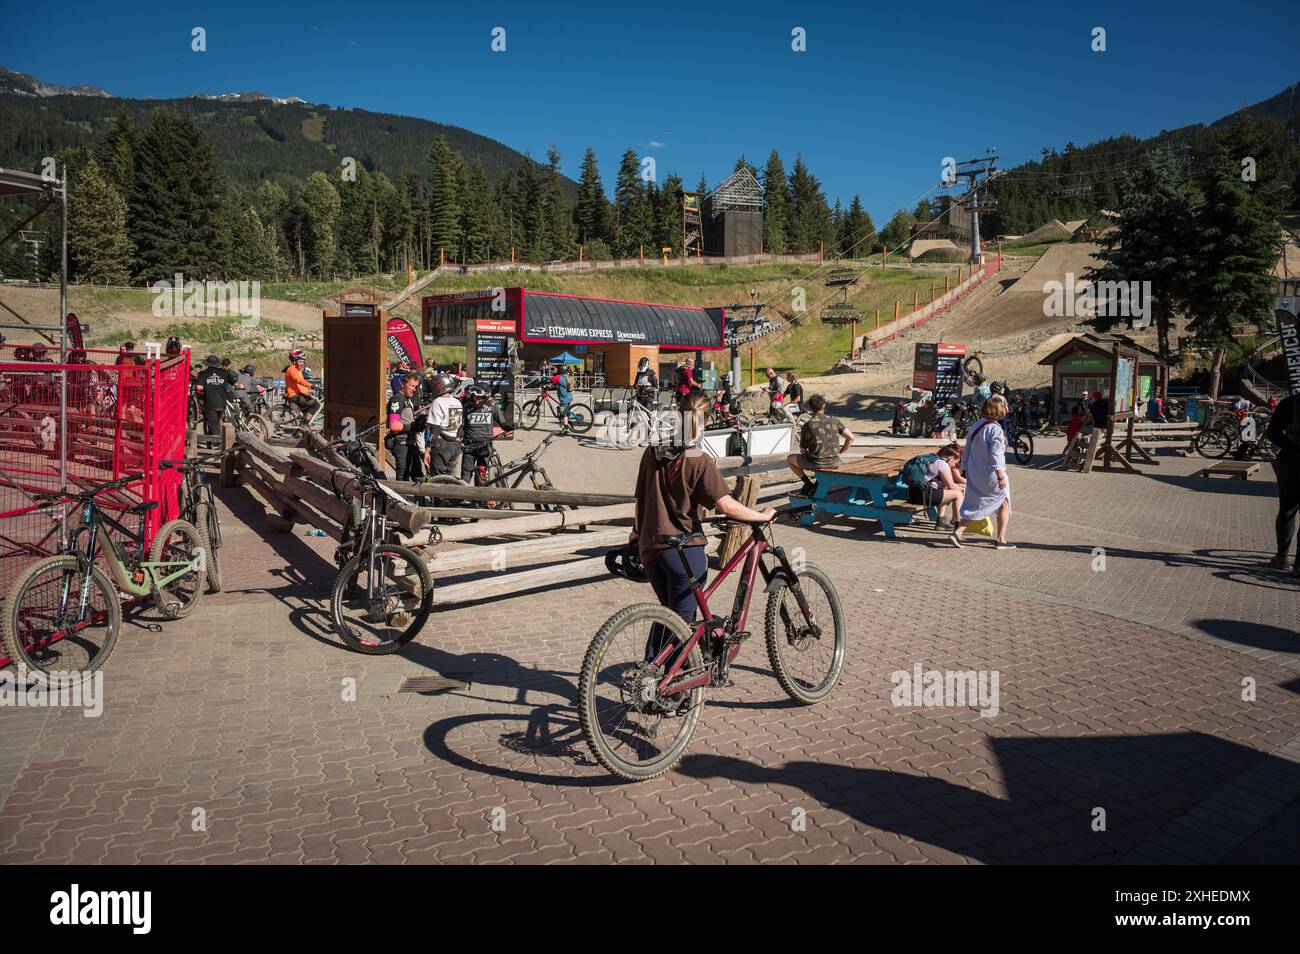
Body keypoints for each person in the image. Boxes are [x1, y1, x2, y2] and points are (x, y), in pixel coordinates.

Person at [631, 390, 777, 662]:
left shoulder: (652, 451)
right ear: (708, 422)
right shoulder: (698, 459)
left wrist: (636, 534)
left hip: (650, 549)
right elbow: (726, 505)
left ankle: (650, 669)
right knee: (683, 624)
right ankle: (670, 689)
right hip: (684, 552)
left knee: (669, 614)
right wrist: (761, 515)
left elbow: (640, 501)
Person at [947, 394, 1014, 549]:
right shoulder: (995, 430)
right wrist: (1000, 475)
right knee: (1003, 502)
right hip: (991, 474)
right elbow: (996, 454)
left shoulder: (976, 426)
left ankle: (958, 533)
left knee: (979, 504)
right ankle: (1001, 540)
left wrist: (963, 469)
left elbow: (967, 450)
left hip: (975, 472)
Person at [787, 394, 854, 497]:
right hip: (835, 462)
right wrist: (840, 452)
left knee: (789, 459)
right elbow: (851, 437)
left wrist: (808, 456)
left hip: (817, 463)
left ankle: (808, 484)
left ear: (810, 408)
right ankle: (817, 484)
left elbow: (802, 450)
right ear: (824, 406)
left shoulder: (808, 425)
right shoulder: (834, 420)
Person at [1265, 392, 1300, 572]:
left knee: (1287, 510)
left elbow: (1272, 433)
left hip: (1291, 461)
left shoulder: (1290, 402)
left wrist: (1288, 445)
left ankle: (1282, 557)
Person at [460, 386, 513, 484]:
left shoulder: (492, 406)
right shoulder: (467, 406)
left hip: (485, 447)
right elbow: (462, 427)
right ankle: (463, 498)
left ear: (485, 397)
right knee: (465, 476)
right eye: (474, 396)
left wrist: (512, 426)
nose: (476, 398)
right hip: (469, 447)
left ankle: (479, 499)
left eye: (479, 397)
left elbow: (503, 424)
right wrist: (457, 440)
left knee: (482, 477)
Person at [911, 443, 966, 530]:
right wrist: (963, 489)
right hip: (924, 495)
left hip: (914, 492)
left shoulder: (934, 460)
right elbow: (951, 485)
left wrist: (960, 486)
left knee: (948, 490)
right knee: (958, 494)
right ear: (950, 459)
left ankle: (940, 522)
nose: (955, 465)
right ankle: (958, 524)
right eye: (956, 463)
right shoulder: (943, 465)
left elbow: (944, 484)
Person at [385, 372, 423, 481]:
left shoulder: (407, 400)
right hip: (402, 444)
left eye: (416, 386)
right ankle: (398, 498)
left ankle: (418, 498)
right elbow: (394, 425)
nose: (414, 389)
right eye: (411, 386)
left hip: (410, 443)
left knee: (418, 476)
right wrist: (413, 427)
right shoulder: (397, 399)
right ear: (402, 384)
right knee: (403, 479)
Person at [424, 372, 463, 477]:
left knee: (437, 479)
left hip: (441, 444)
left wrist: (428, 448)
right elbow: (460, 426)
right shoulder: (457, 402)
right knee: (449, 479)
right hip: (454, 445)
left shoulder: (438, 401)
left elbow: (435, 427)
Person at [197, 354, 237, 436]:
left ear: (207, 363)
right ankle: (212, 438)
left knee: (213, 423)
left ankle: (217, 441)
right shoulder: (225, 373)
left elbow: (199, 387)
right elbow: (236, 384)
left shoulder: (203, 373)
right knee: (215, 421)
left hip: (210, 403)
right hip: (222, 403)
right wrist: (241, 386)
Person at [284, 348, 318, 423]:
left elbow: (299, 385)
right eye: (300, 361)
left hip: (299, 394)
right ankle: (304, 425)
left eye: (303, 361)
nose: (302, 363)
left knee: (307, 413)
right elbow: (299, 381)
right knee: (315, 405)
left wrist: (308, 390)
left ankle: (301, 431)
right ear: (294, 361)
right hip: (294, 395)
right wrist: (312, 385)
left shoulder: (297, 370)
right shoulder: (292, 369)